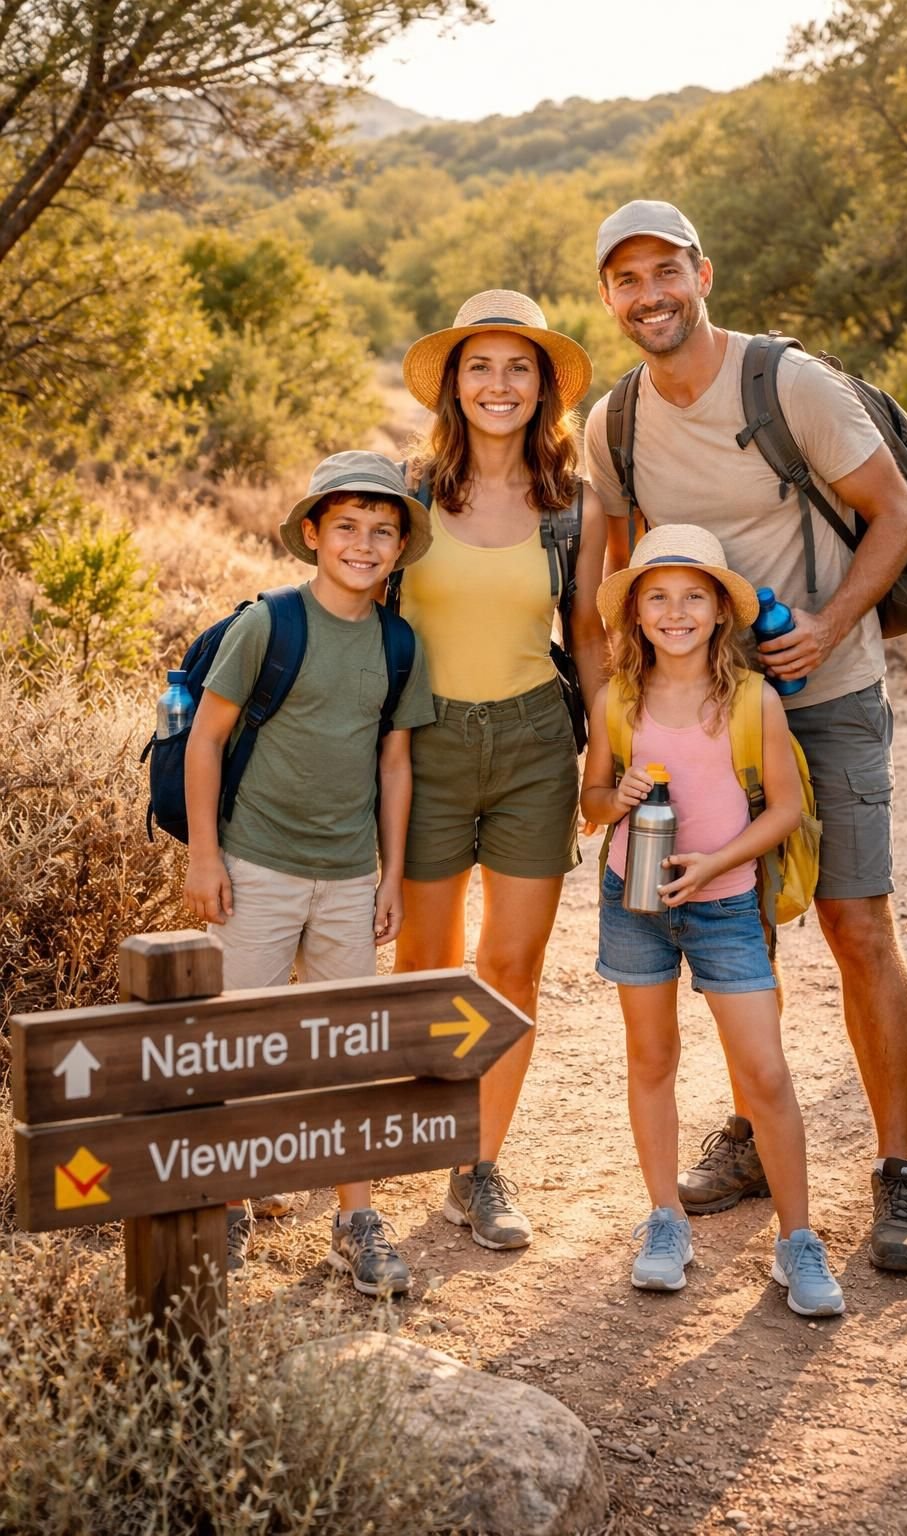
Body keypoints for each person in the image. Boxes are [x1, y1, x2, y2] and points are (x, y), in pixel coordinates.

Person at [584, 199, 907, 1274]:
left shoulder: (786, 384)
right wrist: (608, 718)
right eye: (626, 281)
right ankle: (748, 1140)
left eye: (665, 272)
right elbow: (601, 569)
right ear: (608, 297)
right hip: (700, 707)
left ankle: (897, 1173)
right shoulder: (617, 422)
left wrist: (828, 627)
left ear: (702, 271)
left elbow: (898, 515)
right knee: (740, 922)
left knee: (853, 922)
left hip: (824, 695)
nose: (649, 296)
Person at [182, 451, 436, 1293]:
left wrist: (390, 875)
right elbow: (206, 739)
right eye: (349, 528)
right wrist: (205, 855)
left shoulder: (401, 645)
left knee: (347, 1054)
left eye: (383, 531)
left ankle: (355, 1219)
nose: (365, 544)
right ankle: (223, 1204)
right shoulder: (270, 624)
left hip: (348, 877)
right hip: (254, 868)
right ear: (313, 534)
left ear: (400, 548)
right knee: (233, 1044)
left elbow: (394, 765)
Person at [581, 525, 843, 1313]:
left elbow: (788, 810)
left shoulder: (753, 700)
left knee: (764, 1073)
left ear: (721, 614)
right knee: (651, 1059)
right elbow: (591, 804)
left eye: (694, 596)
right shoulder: (616, 701)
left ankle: (797, 1242)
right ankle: (665, 1220)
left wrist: (719, 863)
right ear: (635, 615)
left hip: (726, 904)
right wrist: (613, 799)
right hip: (637, 902)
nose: (676, 611)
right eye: (657, 597)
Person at [393, 289, 606, 1250]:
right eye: (480, 365)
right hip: (426, 744)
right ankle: (396, 1137)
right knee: (424, 964)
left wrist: (604, 746)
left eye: (519, 367)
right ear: (453, 383)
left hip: (531, 748)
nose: (499, 384)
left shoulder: (574, 506)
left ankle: (477, 1165)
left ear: (543, 388)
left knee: (510, 964)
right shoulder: (407, 495)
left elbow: (592, 638)